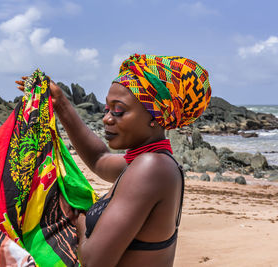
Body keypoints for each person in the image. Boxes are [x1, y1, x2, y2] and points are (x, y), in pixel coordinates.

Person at [16, 54, 211, 267]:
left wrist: (77, 212)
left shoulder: (151, 168)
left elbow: (93, 262)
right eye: (107, 109)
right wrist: (61, 103)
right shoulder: (148, 163)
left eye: (119, 110)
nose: (106, 118)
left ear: (155, 117)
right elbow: (100, 160)